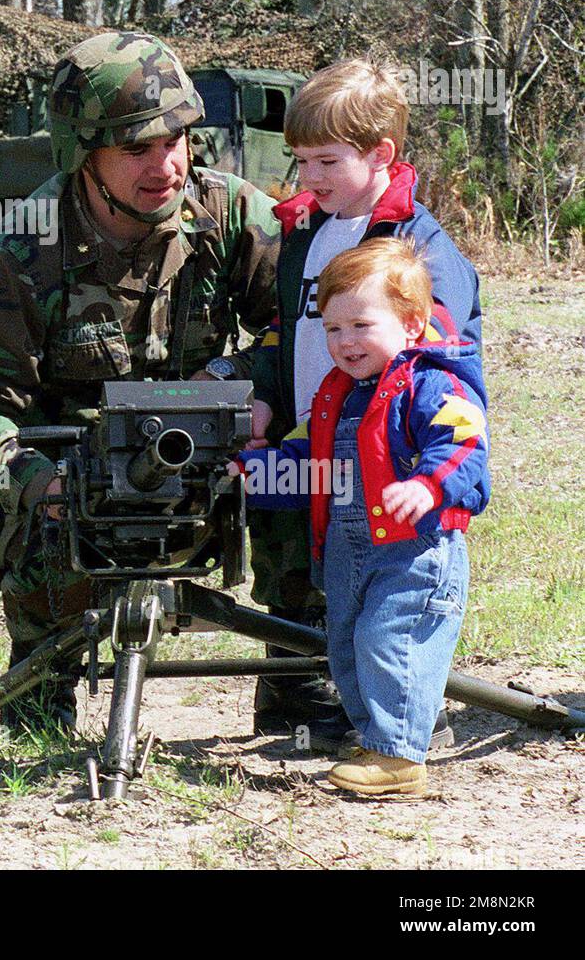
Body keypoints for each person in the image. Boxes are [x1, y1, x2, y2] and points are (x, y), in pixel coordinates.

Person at [0, 31, 280, 731]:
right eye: (137, 147)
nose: (167, 164)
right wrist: (40, 483)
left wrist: (243, 381)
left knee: (316, 471)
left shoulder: (232, 215)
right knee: (32, 503)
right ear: (82, 153)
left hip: (211, 470)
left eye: (178, 139)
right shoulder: (15, 255)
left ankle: (299, 689)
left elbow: (311, 338)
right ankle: (42, 684)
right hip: (78, 488)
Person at [246, 59, 481, 748]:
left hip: (386, 452)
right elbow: (277, 330)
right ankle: (292, 690)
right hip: (310, 438)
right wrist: (264, 397)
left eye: (326, 160)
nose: (310, 178)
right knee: (292, 563)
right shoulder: (302, 234)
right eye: (299, 162)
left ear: (381, 155)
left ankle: (397, 701)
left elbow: (437, 351)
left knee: (389, 580)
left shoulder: (418, 247)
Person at [237, 238, 489, 796]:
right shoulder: (340, 395)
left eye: (361, 325)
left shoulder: (431, 384)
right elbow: (315, 466)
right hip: (351, 551)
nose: (345, 341)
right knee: (347, 642)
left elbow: (465, 445)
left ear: (411, 323)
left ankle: (400, 757)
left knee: (388, 640)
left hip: (414, 551)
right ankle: (376, 736)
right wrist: (257, 474)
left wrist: (429, 486)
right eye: (332, 329)